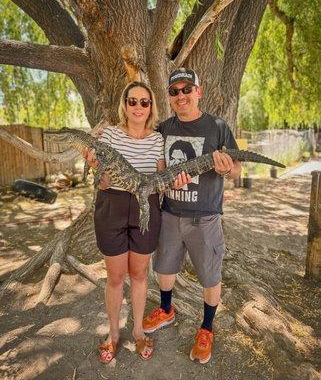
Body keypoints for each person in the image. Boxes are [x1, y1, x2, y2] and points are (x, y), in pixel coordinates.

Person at [84, 81, 190, 364]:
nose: (139, 107)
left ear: (151, 107)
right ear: (125, 104)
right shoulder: (108, 136)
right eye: (133, 101)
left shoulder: (158, 140)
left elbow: (160, 181)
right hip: (112, 207)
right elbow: (102, 179)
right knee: (116, 277)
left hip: (146, 208)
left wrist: (175, 181)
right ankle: (114, 334)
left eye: (145, 102)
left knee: (140, 275)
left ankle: (138, 329)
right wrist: (98, 172)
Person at [142, 68, 242, 364]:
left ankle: (207, 328)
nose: (181, 95)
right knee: (165, 270)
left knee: (210, 276)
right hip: (170, 214)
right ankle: (166, 309)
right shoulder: (162, 129)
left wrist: (227, 168)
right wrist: (165, 179)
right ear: (169, 97)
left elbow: (237, 169)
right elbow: (156, 167)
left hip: (205, 218)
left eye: (187, 89)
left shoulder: (218, 127)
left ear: (199, 91)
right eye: (174, 91)